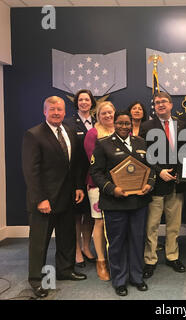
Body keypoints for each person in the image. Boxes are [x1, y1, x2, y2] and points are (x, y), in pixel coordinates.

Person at [22, 96, 87, 298]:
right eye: (52, 109)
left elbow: (74, 164)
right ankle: (35, 280)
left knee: (67, 237)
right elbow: (30, 171)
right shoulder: (34, 134)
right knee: (39, 242)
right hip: (45, 200)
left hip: (67, 197)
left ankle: (65, 270)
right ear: (45, 112)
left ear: (64, 111)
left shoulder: (68, 131)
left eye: (59, 109)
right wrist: (40, 199)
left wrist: (78, 187)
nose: (57, 112)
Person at [90, 111, 156, 296]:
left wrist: (150, 184)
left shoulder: (141, 143)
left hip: (138, 202)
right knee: (117, 242)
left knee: (137, 240)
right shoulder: (103, 144)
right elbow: (96, 173)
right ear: (114, 123)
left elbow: (151, 168)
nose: (124, 126)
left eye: (127, 123)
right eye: (120, 123)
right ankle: (119, 279)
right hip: (114, 203)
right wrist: (112, 189)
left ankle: (136, 277)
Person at [140, 92, 186, 278]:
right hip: (156, 183)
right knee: (152, 225)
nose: (160, 105)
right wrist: (159, 171)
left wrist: (184, 174)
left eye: (163, 102)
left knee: (174, 224)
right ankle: (150, 259)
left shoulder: (182, 125)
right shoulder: (146, 126)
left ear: (170, 104)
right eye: (156, 102)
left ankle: (172, 256)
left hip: (177, 183)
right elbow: (144, 155)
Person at [63, 89, 97, 268]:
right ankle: (76, 249)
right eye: (81, 100)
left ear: (92, 102)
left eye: (87, 99)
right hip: (76, 176)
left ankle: (86, 246)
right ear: (77, 103)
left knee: (91, 214)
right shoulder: (68, 123)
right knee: (77, 215)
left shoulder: (97, 122)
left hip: (94, 176)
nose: (84, 102)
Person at [83, 101, 116, 281]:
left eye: (110, 112)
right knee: (100, 223)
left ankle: (115, 259)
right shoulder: (93, 133)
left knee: (115, 221)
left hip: (119, 186)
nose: (107, 116)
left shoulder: (119, 131)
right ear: (98, 115)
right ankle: (101, 261)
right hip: (97, 185)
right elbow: (93, 161)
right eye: (103, 113)